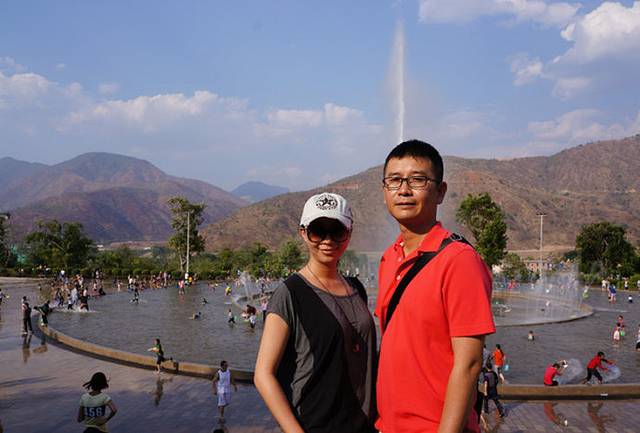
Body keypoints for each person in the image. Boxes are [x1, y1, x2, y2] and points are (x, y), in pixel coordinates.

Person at [374, 140, 495, 433]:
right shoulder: (389, 258)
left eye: (417, 180)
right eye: (394, 180)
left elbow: (469, 363)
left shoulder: (459, 260)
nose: (404, 190)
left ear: (440, 192)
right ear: (384, 190)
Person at [254, 192, 377, 433]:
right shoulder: (290, 293)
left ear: (349, 233)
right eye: (318, 231)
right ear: (303, 233)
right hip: (314, 424)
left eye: (337, 231)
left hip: (363, 425)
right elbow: (263, 374)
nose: (327, 240)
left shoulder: (356, 288)